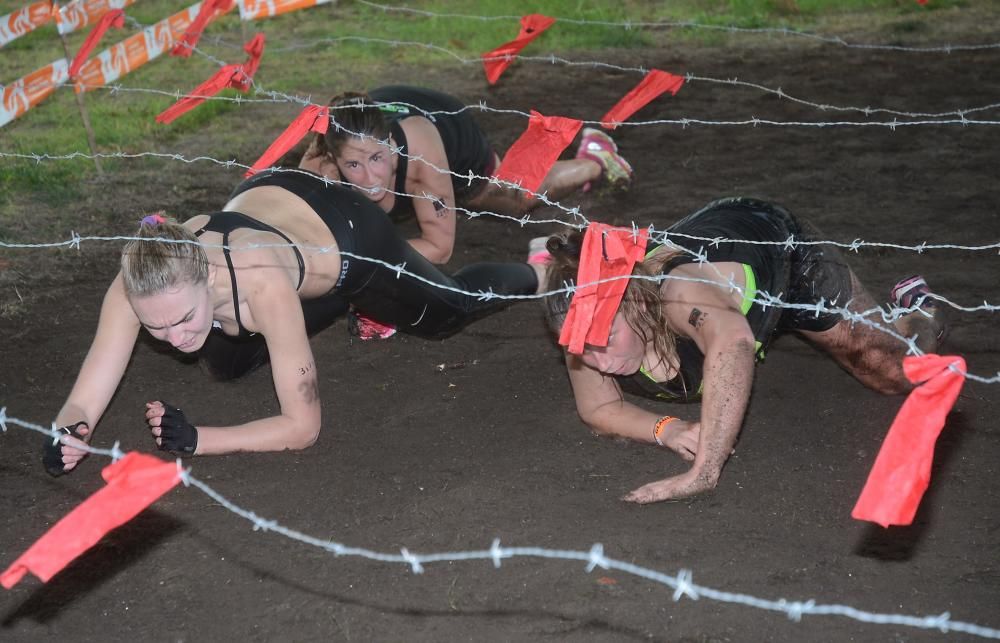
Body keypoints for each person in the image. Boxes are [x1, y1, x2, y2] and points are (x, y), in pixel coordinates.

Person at [43, 168, 545, 476]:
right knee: (223, 362)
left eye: (182, 319)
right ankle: (325, 308)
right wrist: (68, 432)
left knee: (445, 312)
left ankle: (537, 270)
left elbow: (303, 428)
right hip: (262, 195)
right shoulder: (142, 278)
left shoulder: (261, 286)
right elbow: (85, 396)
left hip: (344, 232)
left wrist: (199, 438)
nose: (174, 339)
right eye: (157, 330)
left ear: (205, 275)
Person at [542, 197, 946, 504]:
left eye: (607, 342)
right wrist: (668, 430)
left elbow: (733, 342)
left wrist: (703, 471)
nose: (599, 363)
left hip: (781, 253)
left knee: (897, 372)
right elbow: (597, 409)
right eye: (583, 351)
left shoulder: (676, 295)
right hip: (721, 273)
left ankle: (915, 309)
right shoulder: (582, 316)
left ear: (637, 303)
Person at [298, 85, 634, 265]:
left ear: (389, 143)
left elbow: (439, 248)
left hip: (447, 131)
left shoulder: (422, 159)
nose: (370, 177)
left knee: (517, 197)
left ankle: (594, 158)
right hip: (373, 118)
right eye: (354, 166)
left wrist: (357, 258)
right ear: (334, 160)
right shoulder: (320, 167)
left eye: (376, 159)